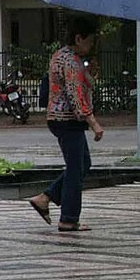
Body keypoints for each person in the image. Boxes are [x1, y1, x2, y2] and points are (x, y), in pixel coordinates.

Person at [27, 16, 105, 232]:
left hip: (61, 119)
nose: (91, 46)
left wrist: (89, 74)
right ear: (78, 38)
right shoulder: (70, 61)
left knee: (82, 164)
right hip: (67, 120)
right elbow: (75, 96)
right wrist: (94, 123)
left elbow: (79, 86)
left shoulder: (63, 56)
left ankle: (45, 198)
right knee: (75, 169)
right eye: (90, 41)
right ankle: (69, 218)